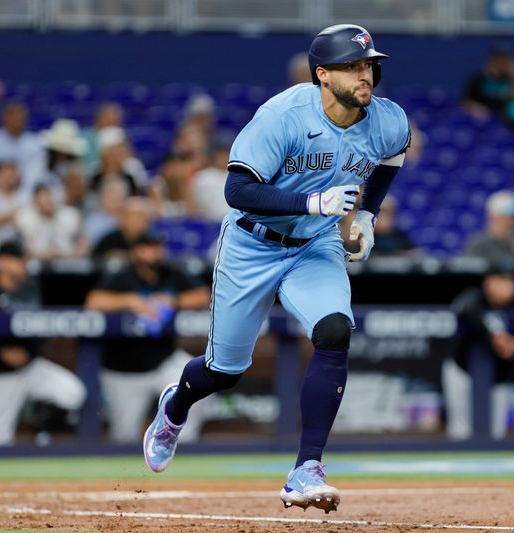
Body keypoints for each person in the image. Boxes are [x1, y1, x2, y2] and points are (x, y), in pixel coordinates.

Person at [141, 24, 409, 514]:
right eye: (352, 66)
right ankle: (175, 407)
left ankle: (306, 467)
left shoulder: (387, 119)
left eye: (368, 64)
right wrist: (313, 201)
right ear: (322, 75)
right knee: (224, 371)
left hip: (315, 245)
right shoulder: (283, 115)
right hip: (252, 245)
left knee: (334, 329)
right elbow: (237, 191)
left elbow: (393, 154)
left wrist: (368, 212)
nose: (365, 73)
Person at [85, 231, 211, 443]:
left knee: (199, 384)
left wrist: (173, 300)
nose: (155, 253)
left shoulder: (169, 272)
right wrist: (131, 301)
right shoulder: (123, 275)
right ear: (136, 252)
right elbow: (94, 302)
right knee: (124, 436)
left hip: (163, 359)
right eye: (149, 247)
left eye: (157, 247)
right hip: (124, 369)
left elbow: (202, 294)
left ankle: (178, 446)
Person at [0, 241, 86, 446]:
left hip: (31, 367)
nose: (23, 264)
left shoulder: (31, 288)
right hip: (0, 374)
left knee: (73, 393)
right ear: (1, 261)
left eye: (24, 259)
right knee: (0, 440)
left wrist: (31, 349)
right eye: (18, 260)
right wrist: (1, 351)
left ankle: (42, 424)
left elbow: (41, 327)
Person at [443, 262, 514, 440]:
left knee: (497, 434)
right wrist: (495, 335)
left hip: (500, 375)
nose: (508, 286)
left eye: (511, 281)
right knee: (460, 432)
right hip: (462, 370)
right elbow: (466, 308)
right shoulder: (474, 298)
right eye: (501, 280)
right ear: (489, 282)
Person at [0, 103, 46, 192]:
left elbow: (38, 171)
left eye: (21, 119)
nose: (18, 122)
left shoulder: (34, 143)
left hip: (26, 190)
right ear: (5, 119)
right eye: (14, 118)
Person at [462, 190, 514, 268]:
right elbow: (471, 273)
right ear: (493, 216)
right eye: (507, 215)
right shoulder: (478, 244)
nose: (512, 221)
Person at [15, 184, 87, 261]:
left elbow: (83, 241)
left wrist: (76, 254)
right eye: (44, 199)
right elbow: (25, 247)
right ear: (35, 201)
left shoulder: (70, 215)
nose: (48, 201)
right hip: (38, 262)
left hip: (68, 260)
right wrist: (40, 255)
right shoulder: (26, 218)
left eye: (50, 197)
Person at [92, 196, 154, 261]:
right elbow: (95, 260)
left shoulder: (152, 241)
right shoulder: (109, 240)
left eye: (139, 217)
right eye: (131, 217)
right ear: (122, 218)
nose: (134, 221)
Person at [190, 140, 231, 222]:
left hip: (233, 223)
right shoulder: (201, 177)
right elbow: (193, 205)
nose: (224, 157)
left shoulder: (238, 176)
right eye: (220, 154)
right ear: (214, 156)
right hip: (208, 223)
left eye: (226, 154)